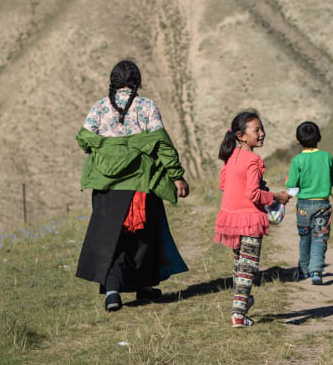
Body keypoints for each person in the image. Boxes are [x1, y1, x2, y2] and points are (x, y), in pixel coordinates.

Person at [75, 60, 190, 312]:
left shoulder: (100, 107)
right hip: (141, 185)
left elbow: (84, 139)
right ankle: (143, 286)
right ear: (137, 81)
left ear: (113, 81)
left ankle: (112, 292)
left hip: (106, 188)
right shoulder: (146, 107)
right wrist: (176, 175)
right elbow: (162, 144)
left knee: (111, 238)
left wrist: (107, 147)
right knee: (143, 236)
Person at [214, 110, 290, 328]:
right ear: (241, 135)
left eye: (262, 129)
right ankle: (238, 315)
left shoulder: (230, 158)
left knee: (240, 266)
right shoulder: (254, 160)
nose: (262, 133)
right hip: (249, 220)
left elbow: (223, 186)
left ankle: (243, 304)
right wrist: (276, 197)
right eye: (257, 130)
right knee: (248, 269)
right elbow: (254, 195)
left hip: (230, 218)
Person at [285, 121, 333, 285]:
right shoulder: (327, 157)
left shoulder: (297, 160)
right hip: (322, 205)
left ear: (297, 141)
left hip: (303, 207)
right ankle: (316, 272)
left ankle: (303, 270)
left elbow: (292, 184)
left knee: (304, 238)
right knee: (319, 238)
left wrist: (289, 182)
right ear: (319, 138)